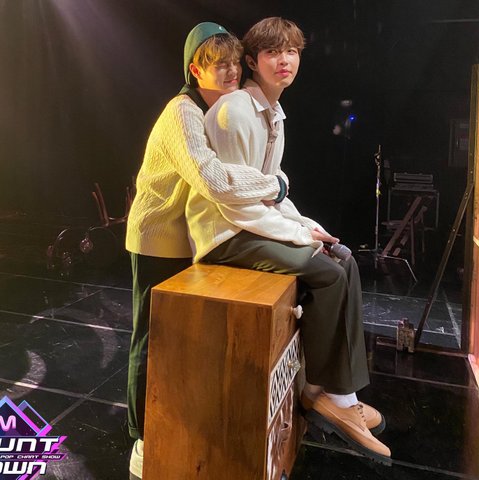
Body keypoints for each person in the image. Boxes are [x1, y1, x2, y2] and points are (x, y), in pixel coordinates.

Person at [185, 17, 392, 465]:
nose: (285, 60)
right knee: (326, 271)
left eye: (292, 52)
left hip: (252, 224)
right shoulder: (236, 111)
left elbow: (272, 191)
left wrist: (308, 226)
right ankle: (326, 395)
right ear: (253, 62)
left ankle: (343, 394)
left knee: (344, 258)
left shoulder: (273, 113)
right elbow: (236, 203)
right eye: (273, 52)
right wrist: (300, 236)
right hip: (225, 234)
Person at [125, 22, 288, 480]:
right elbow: (214, 180)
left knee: (181, 339)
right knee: (150, 337)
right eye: (220, 64)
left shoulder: (217, 110)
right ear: (195, 70)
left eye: (235, 63)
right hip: (158, 239)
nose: (232, 71)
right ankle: (142, 438)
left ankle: (175, 427)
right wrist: (275, 185)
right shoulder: (183, 112)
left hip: (189, 238)